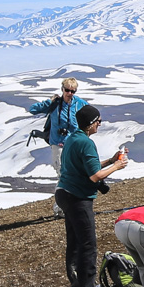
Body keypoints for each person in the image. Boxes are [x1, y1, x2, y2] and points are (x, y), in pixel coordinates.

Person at [56, 104, 128, 287]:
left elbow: (89, 166)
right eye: (98, 121)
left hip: (64, 194)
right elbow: (95, 175)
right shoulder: (86, 143)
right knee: (88, 245)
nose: (99, 125)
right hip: (78, 198)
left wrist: (111, 160)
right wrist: (117, 166)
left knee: (75, 243)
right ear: (90, 124)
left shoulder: (73, 139)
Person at [29, 78, 86, 214]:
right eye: (67, 90)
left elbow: (91, 114)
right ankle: (60, 208)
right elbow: (33, 109)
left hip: (73, 144)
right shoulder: (55, 104)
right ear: (62, 89)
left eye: (73, 91)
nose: (69, 93)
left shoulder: (79, 104)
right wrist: (49, 101)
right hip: (58, 145)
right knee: (62, 175)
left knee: (75, 174)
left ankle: (70, 205)